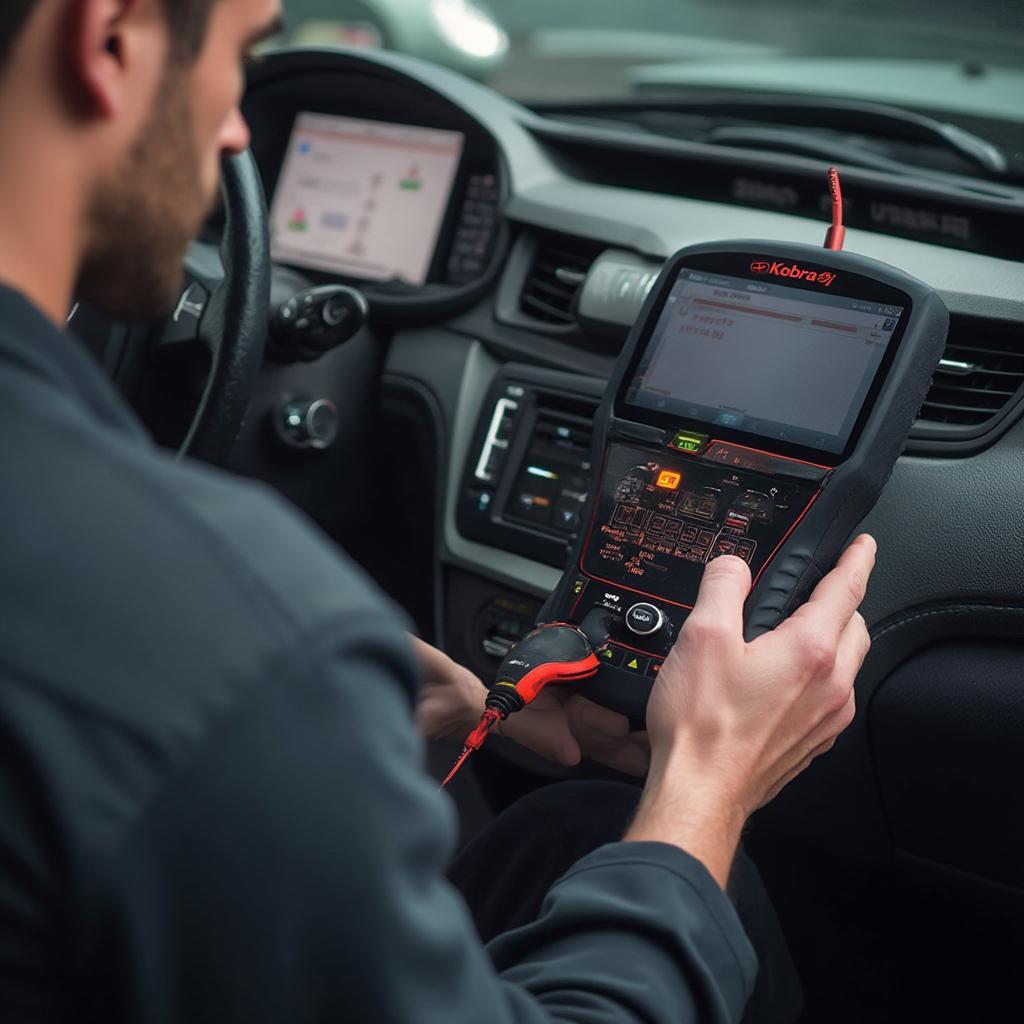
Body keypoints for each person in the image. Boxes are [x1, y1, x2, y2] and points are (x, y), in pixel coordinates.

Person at [0, 1, 874, 1022]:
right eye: (243, 57)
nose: (238, 127)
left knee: (585, 828)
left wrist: (323, 718)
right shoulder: (232, 648)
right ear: (107, 38)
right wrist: (708, 786)